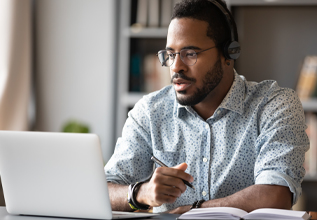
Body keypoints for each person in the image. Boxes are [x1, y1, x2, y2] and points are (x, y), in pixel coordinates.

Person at [104, 0, 309, 214]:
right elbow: (104, 190)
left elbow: (275, 195)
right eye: (170, 54)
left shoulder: (274, 105)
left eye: (190, 54)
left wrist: (194, 210)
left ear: (229, 53)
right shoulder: (150, 112)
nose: (176, 67)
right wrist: (140, 193)